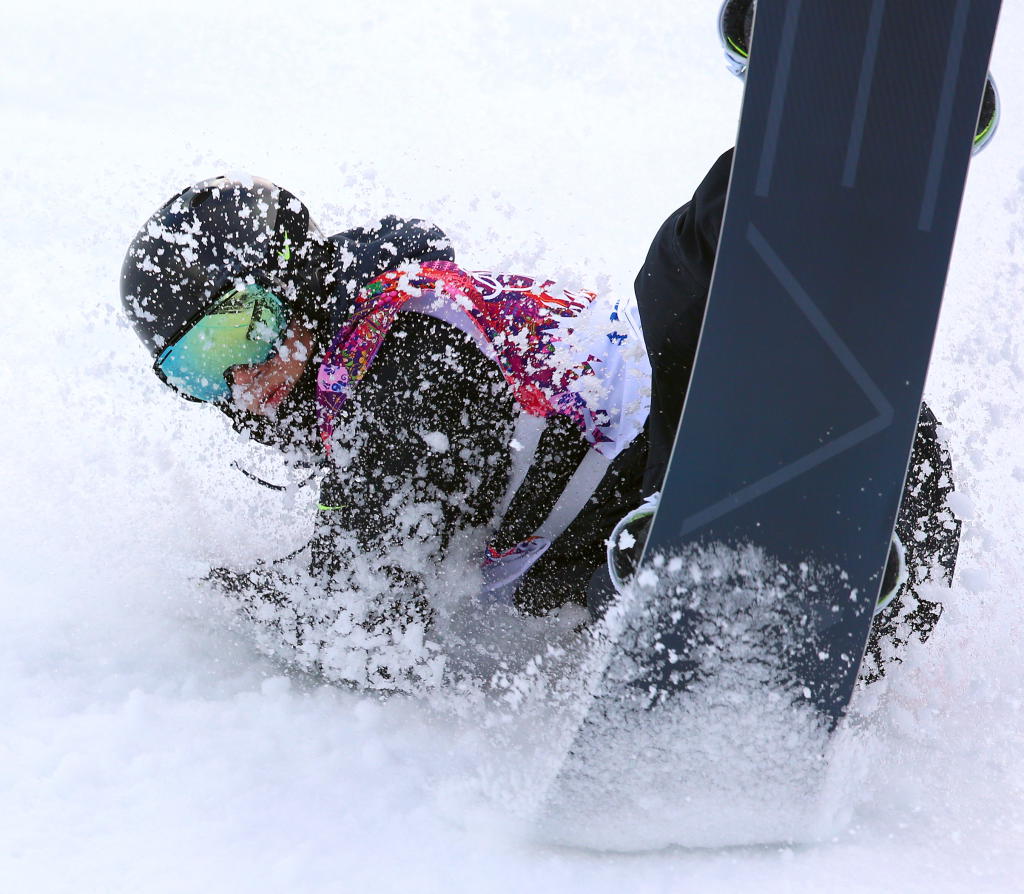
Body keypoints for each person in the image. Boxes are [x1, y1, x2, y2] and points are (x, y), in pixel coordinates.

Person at [121, 1, 996, 689]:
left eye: (231, 331)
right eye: (192, 372)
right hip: (834, 570)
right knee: (669, 306)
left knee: (677, 275)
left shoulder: (401, 355)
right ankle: (726, 549)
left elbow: (367, 613)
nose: (236, 379)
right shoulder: (353, 401)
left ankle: (846, 121)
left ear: (287, 275)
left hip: (779, 436)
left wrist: (201, 615)